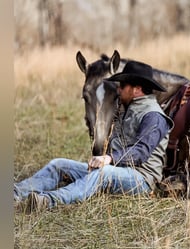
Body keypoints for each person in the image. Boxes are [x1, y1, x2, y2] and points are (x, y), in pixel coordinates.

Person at [14, 61, 174, 212]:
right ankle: (15, 193)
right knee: (58, 165)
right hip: (117, 170)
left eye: (122, 85)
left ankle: (47, 201)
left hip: (142, 178)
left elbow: (141, 151)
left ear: (136, 89)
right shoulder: (126, 108)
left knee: (103, 174)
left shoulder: (154, 116)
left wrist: (109, 158)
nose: (118, 89)